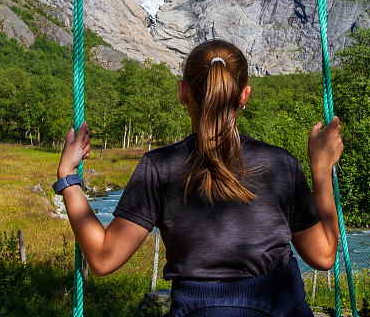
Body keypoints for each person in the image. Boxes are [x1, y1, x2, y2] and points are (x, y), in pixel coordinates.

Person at [54, 39, 343, 316]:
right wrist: (320, 169)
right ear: (245, 95)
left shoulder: (159, 167)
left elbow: (103, 258)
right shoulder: (281, 165)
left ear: (182, 92)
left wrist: (68, 178)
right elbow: (323, 256)